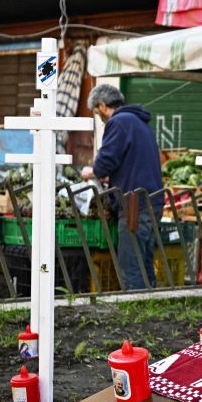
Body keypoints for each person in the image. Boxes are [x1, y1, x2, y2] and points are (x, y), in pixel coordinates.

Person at [82, 84, 164, 290]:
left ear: (102, 105)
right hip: (153, 200)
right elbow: (131, 160)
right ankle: (150, 304)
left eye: (95, 111)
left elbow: (105, 162)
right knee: (144, 260)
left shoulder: (118, 122)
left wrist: (90, 171)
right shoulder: (139, 122)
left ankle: (136, 312)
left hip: (134, 205)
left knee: (131, 265)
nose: (98, 116)